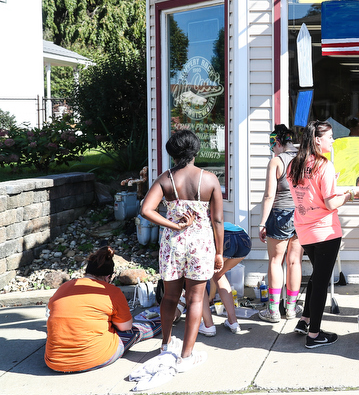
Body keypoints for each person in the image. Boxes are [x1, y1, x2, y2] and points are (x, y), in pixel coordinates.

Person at [141, 129, 224, 372]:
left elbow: (147, 210)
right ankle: (187, 355)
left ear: (172, 153)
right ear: (195, 150)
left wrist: (174, 224)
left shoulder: (165, 179)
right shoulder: (209, 179)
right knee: (195, 299)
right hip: (200, 244)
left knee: (169, 297)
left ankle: (166, 346)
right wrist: (219, 252)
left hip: (173, 244)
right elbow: (217, 221)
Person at [287, 120, 359, 348]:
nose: (333, 140)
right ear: (317, 140)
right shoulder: (324, 165)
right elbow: (331, 203)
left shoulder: (294, 164)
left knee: (317, 276)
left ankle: (305, 319)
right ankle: (314, 336)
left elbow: (311, 195)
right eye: (329, 136)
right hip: (325, 231)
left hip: (304, 230)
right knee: (322, 281)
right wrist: (350, 194)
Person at [45, 246, 162, 372]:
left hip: (55, 361)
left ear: (87, 272)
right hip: (93, 358)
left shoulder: (64, 287)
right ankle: (163, 324)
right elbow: (126, 327)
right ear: (107, 277)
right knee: (136, 330)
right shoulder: (111, 291)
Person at [257, 124, 304, 323]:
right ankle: (292, 309)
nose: (272, 150)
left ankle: (274, 311)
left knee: (276, 261)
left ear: (277, 142)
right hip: (301, 215)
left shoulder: (276, 161)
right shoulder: (303, 159)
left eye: (272, 145)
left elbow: (269, 196)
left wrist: (262, 223)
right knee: (295, 262)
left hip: (279, 214)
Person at [199, 222, 251, 335]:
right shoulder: (216, 219)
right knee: (218, 275)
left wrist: (210, 297)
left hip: (224, 239)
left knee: (198, 281)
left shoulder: (198, 224)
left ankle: (208, 325)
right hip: (244, 239)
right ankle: (233, 322)